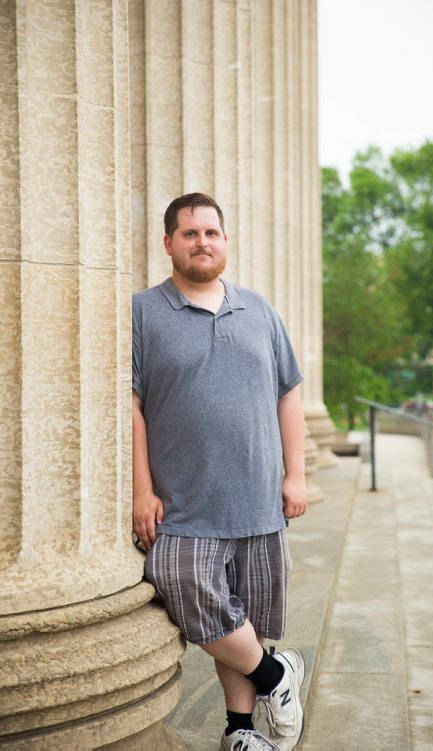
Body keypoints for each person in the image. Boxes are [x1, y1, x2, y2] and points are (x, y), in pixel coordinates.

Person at [132, 193, 308, 751]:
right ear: (168, 244)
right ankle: (276, 676)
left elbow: (290, 396)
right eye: (190, 234)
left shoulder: (259, 309)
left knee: (247, 614)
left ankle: (239, 732)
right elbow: (130, 405)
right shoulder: (143, 311)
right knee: (182, 581)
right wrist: (142, 489)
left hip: (258, 498)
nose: (202, 242)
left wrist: (296, 474)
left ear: (225, 241)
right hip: (183, 501)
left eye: (211, 233)